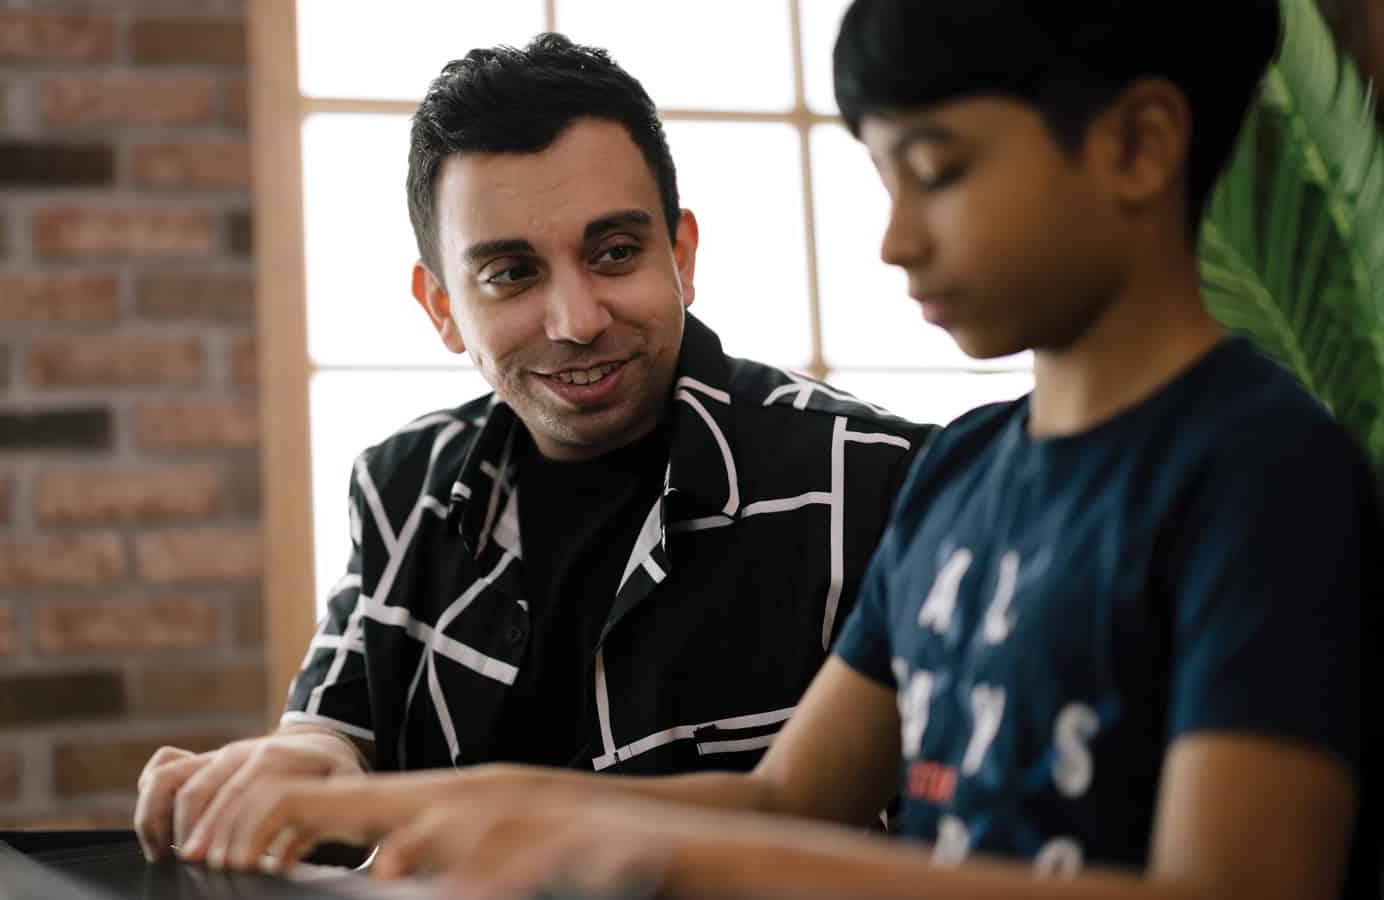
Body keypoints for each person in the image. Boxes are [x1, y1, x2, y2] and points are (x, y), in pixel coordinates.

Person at [176, 2, 1383, 898]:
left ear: (1137, 146)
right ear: (440, 303)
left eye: (940, 173)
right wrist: (417, 805)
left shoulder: (1259, 467)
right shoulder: (965, 474)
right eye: (882, 179)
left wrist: (636, 845)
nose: (893, 241)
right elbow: (784, 798)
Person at [133, 32, 932, 863]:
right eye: (512, 273)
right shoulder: (400, 484)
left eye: (615, 253)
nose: (577, 321)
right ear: (441, 308)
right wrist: (301, 761)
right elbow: (335, 729)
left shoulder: (878, 479)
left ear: (682, 256)